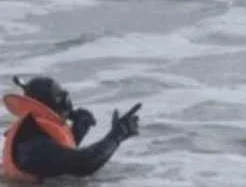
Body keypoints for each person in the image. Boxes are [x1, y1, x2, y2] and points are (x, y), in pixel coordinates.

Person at [2, 75, 142, 181]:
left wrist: (75, 134)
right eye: (62, 97)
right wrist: (117, 136)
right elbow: (84, 163)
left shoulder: (31, 133)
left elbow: (58, 161)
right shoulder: (34, 146)